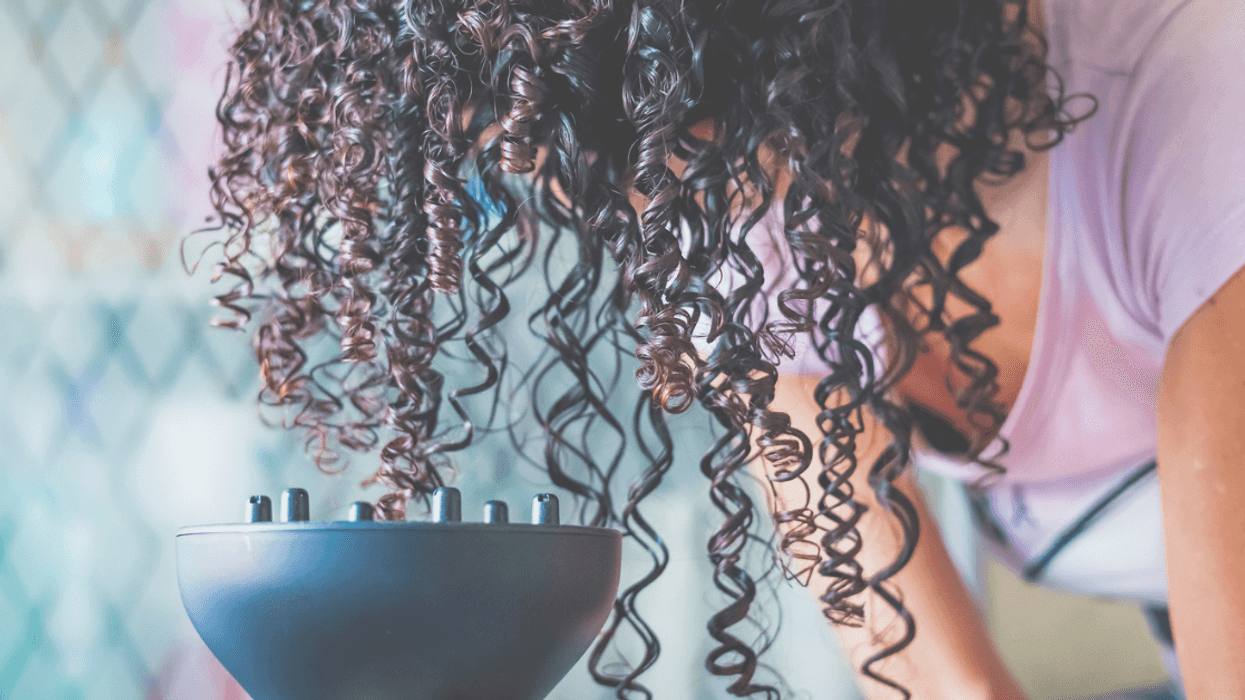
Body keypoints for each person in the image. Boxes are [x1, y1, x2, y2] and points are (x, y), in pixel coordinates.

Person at [200, 0, 1245, 698]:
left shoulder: (1196, 110)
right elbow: (939, 683)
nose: (662, 210)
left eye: (686, 142)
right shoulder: (746, 219)